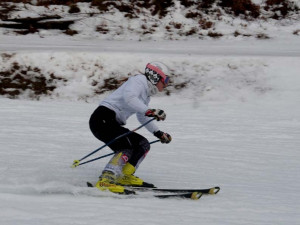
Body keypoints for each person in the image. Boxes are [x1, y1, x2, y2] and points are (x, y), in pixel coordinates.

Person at [89, 61, 172, 194]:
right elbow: (129, 98)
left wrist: (158, 133)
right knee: (125, 146)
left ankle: (124, 176)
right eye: (166, 80)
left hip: (111, 122)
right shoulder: (138, 81)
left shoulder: (146, 94)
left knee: (142, 144)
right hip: (103, 118)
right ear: (155, 76)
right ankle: (106, 179)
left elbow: (142, 117)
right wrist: (149, 111)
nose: (166, 84)